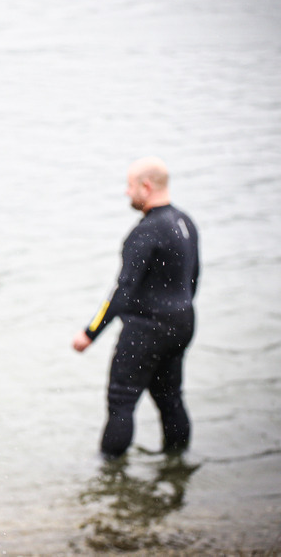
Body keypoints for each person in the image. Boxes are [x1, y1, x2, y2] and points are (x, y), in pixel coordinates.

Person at [73, 157, 200, 459]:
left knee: (121, 401)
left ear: (146, 186)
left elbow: (122, 291)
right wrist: (178, 309)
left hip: (146, 331)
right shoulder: (185, 222)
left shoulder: (145, 231)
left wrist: (90, 333)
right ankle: (177, 464)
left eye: (130, 186)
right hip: (182, 323)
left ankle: (110, 477)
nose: (127, 193)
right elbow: (194, 276)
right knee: (171, 398)